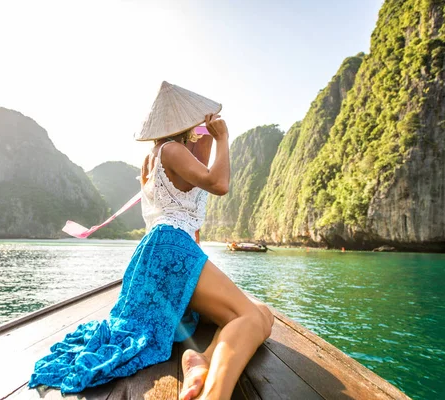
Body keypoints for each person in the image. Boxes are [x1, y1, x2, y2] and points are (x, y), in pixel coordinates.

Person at [28, 81, 273, 400]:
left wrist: (205, 136)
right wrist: (224, 137)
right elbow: (219, 182)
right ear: (183, 123)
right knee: (250, 318)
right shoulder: (172, 151)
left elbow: (200, 172)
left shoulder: (160, 156)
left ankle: (203, 360)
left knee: (263, 314)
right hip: (172, 250)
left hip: (172, 252)